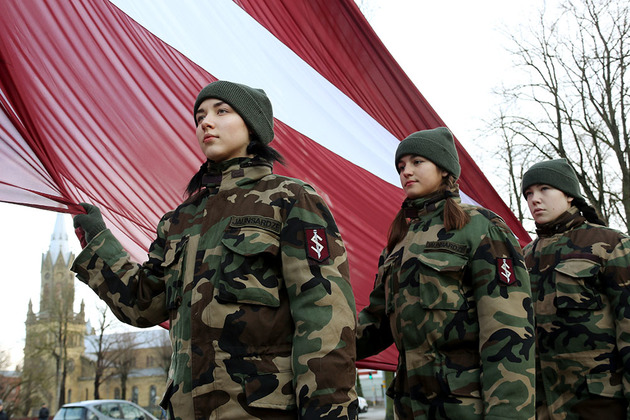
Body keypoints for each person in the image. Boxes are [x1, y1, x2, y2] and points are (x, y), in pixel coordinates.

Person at [71, 80, 358, 419]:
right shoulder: (179, 220)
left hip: (262, 411)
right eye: (200, 115)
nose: (205, 122)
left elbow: (323, 316)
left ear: (252, 126)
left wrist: (328, 413)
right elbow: (142, 304)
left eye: (222, 111)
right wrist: (99, 242)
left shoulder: (291, 200)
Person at [356, 128, 535, 419]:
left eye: (417, 162)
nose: (406, 172)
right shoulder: (398, 243)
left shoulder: (481, 227)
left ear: (444, 168)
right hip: (410, 406)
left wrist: (508, 414)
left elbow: (508, 329)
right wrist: (317, 337)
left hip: (465, 406)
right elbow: (376, 322)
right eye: (401, 166)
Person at [521, 158, 630, 419]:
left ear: (569, 195)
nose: (534, 199)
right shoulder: (523, 258)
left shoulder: (611, 244)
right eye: (528, 193)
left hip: (598, 405)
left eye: (544, 189)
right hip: (540, 406)